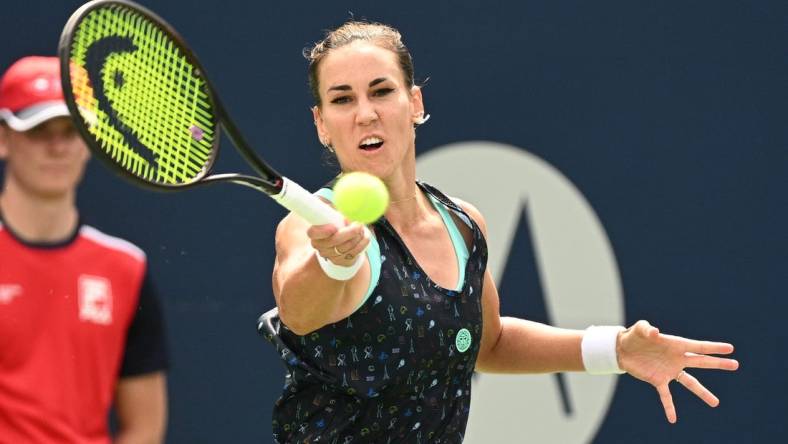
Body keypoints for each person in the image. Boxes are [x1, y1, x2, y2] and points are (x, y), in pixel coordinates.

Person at [259, 22, 739, 443]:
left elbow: (489, 345)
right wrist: (333, 260)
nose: (365, 113)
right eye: (342, 99)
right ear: (322, 124)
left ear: (414, 102)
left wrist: (613, 349)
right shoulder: (310, 223)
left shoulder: (462, 224)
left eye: (381, 91)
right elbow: (299, 312)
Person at [0, 55, 169, 443]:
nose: (57, 147)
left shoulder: (127, 269)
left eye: (71, 130)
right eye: (39, 131)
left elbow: (144, 426)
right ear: (3, 139)